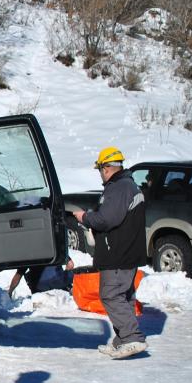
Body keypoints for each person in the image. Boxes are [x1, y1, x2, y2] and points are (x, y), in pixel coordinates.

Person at [72, 146, 148, 359]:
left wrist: (85, 217)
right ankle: (122, 340)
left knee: (111, 295)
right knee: (123, 296)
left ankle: (132, 338)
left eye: (100, 169)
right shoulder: (129, 185)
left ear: (106, 168)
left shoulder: (119, 188)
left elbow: (107, 219)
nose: (100, 174)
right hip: (127, 251)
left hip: (118, 252)